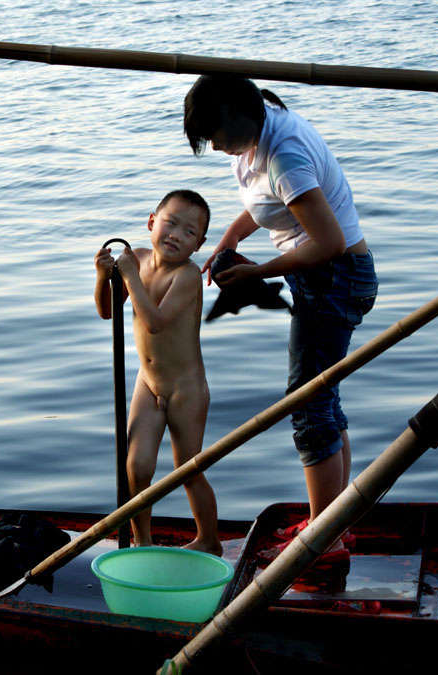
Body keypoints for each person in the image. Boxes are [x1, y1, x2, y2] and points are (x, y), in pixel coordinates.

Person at [183, 75, 378, 563]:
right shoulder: (256, 141)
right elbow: (265, 206)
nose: (216, 146)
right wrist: (229, 242)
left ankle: (324, 540)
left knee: (308, 405)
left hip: (336, 277)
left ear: (241, 115)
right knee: (322, 397)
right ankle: (333, 519)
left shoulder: (285, 155)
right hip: (322, 277)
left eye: (217, 135)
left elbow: (329, 242)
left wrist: (259, 273)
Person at [93, 190, 221, 554]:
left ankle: (209, 540)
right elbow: (108, 311)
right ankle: (142, 541)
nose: (177, 234)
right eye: (171, 223)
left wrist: (130, 276)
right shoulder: (140, 261)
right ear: (152, 222)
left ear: (200, 243)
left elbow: (156, 323)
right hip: (148, 384)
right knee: (137, 465)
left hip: (186, 389)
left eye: (189, 231)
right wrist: (104, 276)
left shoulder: (188, 276)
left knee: (188, 469)